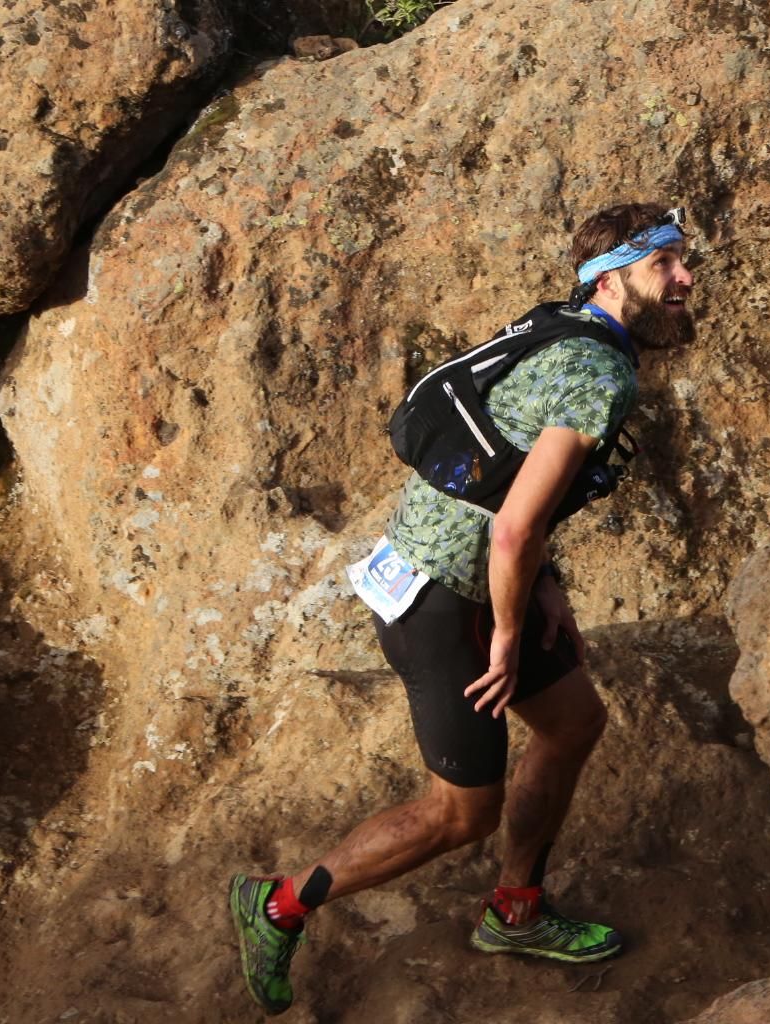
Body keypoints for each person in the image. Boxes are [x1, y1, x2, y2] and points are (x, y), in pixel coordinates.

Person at [228, 202, 696, 1015]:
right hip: (445, 604)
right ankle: (275, 906)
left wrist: (541, 589)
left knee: (574, 722)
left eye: (683, 261)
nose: (686, 278)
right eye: (665, 264)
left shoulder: (562, 326)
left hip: (462, 575)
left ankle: (515, 910)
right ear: (612, 275)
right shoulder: (597, 371)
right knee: (459, 814)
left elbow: (509, 478)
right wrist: (509, 629)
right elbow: (514, 527)